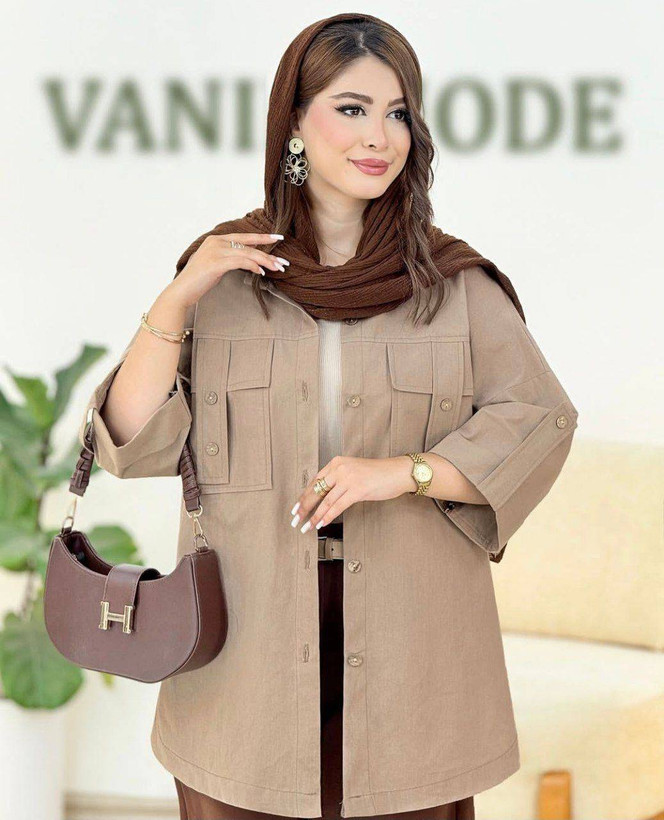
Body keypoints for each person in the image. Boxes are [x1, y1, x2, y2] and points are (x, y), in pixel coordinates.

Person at [79, 12, 579, 820]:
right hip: (244, 661)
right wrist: (174, 301)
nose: (379, 136)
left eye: (398, 113)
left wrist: (404, 472)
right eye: (352, 108)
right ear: (294, 122)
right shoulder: (224, 280)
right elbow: (129, 442)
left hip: (414, 660)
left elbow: (539, 416)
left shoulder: (454, 284)